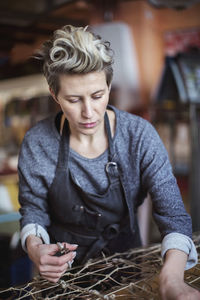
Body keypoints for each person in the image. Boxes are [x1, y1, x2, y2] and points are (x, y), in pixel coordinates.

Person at [18, 25, 200, 299]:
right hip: (60, 282)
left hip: (126, 274)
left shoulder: (138, 136)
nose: (88, 112)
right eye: (74, 99)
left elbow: (173, 216)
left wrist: (171, 280)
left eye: (97, 95)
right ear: (55, 95)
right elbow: (33, 210)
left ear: (109, 86)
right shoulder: (38, 142)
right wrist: (35, 248)